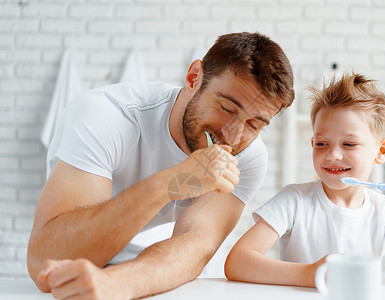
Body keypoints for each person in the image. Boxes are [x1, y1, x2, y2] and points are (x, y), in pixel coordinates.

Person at [27, 32, 295, 299]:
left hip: (153, 276)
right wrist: (172, 182)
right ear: (194, 78)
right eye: (226, 107)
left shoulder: (248, 155)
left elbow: (195, 246)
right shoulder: (105, 116)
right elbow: (44, 260)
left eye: (254, 124)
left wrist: (116, 284)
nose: (234, 135)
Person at [225, 72, 385, 287]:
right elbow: (237, 263)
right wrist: (310, 274)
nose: (333, 155)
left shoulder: (383, 211)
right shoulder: (294, 200)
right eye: (322, 144)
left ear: (381, 151)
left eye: (349, 144)